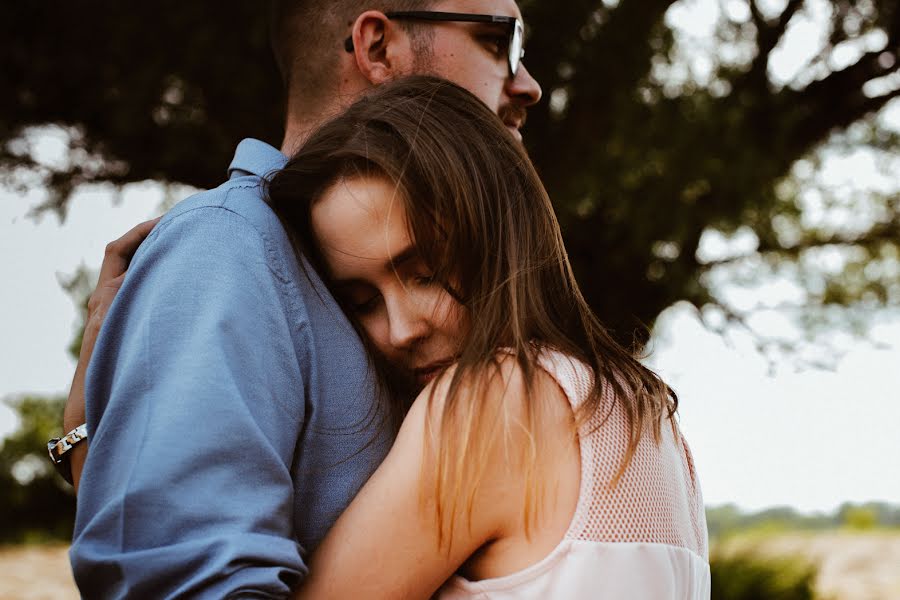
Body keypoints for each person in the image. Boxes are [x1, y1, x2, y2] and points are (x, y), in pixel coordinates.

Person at [71, 77, 710, 598]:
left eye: (425, 272)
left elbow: (157, 558)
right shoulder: (643, 411)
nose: (401, 330)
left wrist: (83, 407)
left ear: (499, 231)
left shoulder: (485, 405)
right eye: (362, 300)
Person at [61, 1, 541, 597]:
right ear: (377, 47)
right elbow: (179, 579)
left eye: (421, 272)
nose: (528, 85)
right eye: (500, 42)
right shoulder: (227, 248)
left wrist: (79, 442)